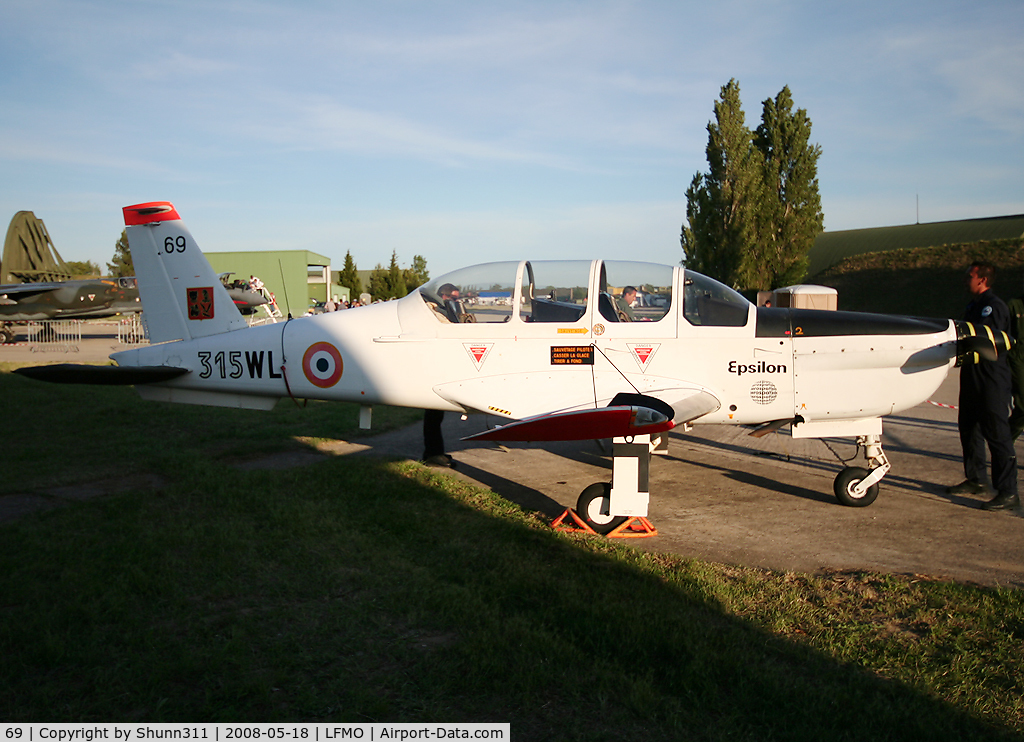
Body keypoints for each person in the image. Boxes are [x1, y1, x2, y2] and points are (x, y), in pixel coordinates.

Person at [947, 261, 1020, 511]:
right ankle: (976, 479)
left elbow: (992, 340)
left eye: (970, 276)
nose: (965, 279)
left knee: (997, 435)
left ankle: (1008, 491)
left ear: (982, 280)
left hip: (991, 379)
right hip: (972, 376)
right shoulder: (974, 306)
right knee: (969, 429)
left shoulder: (993, 307)